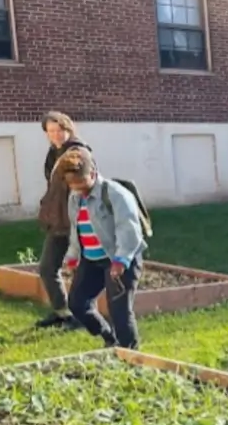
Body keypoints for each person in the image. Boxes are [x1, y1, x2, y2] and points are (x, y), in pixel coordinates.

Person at [59, 147, 146, 349]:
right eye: (72, 184)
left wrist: (121, 260)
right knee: (77, 303)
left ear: (93, 172)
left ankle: (131, 356)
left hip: (119, 259)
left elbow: (129, 230)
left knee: (120, 311)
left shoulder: (116, 194)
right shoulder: (74, 197)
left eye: (81, 182)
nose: (77, 188)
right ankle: (108, 336)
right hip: (91, 260)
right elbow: (76, 229)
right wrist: (72, 257)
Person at [35, 111, 91, 329]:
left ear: (69, 129)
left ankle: (77, 315)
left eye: (59, 130)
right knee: (48, 268)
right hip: (58, 219)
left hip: (75, 219)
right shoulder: (54, 153)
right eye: (51, 131)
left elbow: (85, 186)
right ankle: (62, 312)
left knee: (77, 268)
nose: (56, 135)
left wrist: (77, 218)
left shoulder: (79, 153)